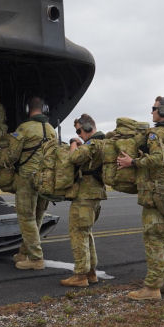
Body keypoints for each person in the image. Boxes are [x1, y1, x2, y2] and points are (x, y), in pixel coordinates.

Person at [117, 96, 164, 300]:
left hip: (157, 193)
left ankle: (152, 288)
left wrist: (132, 161)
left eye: (154, 108)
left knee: (154, 240)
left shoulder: (155, 133)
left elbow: (157, 159)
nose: (151, 112)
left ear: (163, 111)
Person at [8, 96, 56, 270]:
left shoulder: (24, 128)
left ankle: (36, 258)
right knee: (37, 216)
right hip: (46, 179)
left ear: (28, 109)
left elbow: (12, 155)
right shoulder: (52, 130)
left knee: (26, 218)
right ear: (44, 109)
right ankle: (24, 252)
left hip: (27, 179)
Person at [60, 114, 107, 287]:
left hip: (85, 195)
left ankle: (80, 275)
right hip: (95, 194)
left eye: (79, 130)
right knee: (86, 233)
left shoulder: (94, 143)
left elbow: (73, 158)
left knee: (78, 233)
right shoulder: (102, 143)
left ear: (88, 128)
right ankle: (91, 272)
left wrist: (73, 143)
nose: (79, 134)